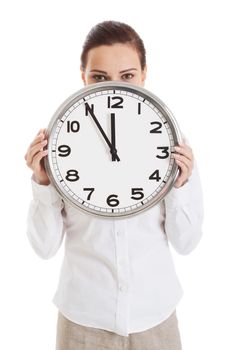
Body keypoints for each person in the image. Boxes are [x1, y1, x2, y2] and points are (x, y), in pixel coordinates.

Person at [24, 20, 204, 350]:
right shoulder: (60, 145)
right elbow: (44, 248)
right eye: (99, 77)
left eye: (128, 76)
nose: (114, 87)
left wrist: (181, 186)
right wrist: (43, 182)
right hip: (84, 322)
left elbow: (187, 243)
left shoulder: (171, 142)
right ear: (83, 77)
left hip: (155, 318)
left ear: (144, 74)